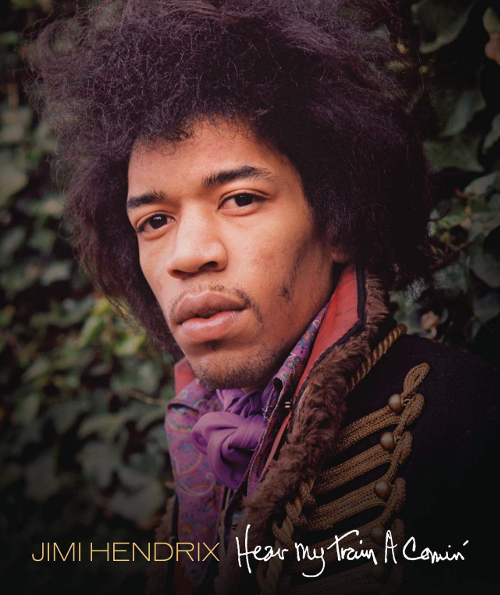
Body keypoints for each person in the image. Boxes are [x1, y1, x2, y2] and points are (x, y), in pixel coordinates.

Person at [31, 1, 499, 593]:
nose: (186, 255)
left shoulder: (475, 421)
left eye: (241, 199)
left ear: (338, 220)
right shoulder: (198, 458)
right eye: (154, 221)